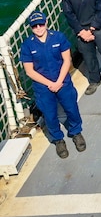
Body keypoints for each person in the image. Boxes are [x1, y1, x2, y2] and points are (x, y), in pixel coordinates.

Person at [20, 11, 85, 158]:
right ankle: (58, 139)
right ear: (31, 28)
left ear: (46, 22)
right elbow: (30, 71)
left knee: (72, 108)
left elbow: (67, 60)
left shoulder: (59, 37)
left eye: (40, 24)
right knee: (50, 115)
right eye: (34, 26)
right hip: (43, 87)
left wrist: (59, 81)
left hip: (63, 82)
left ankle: (76, 132)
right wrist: (51, 84)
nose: (38, 28)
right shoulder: (27, 45)